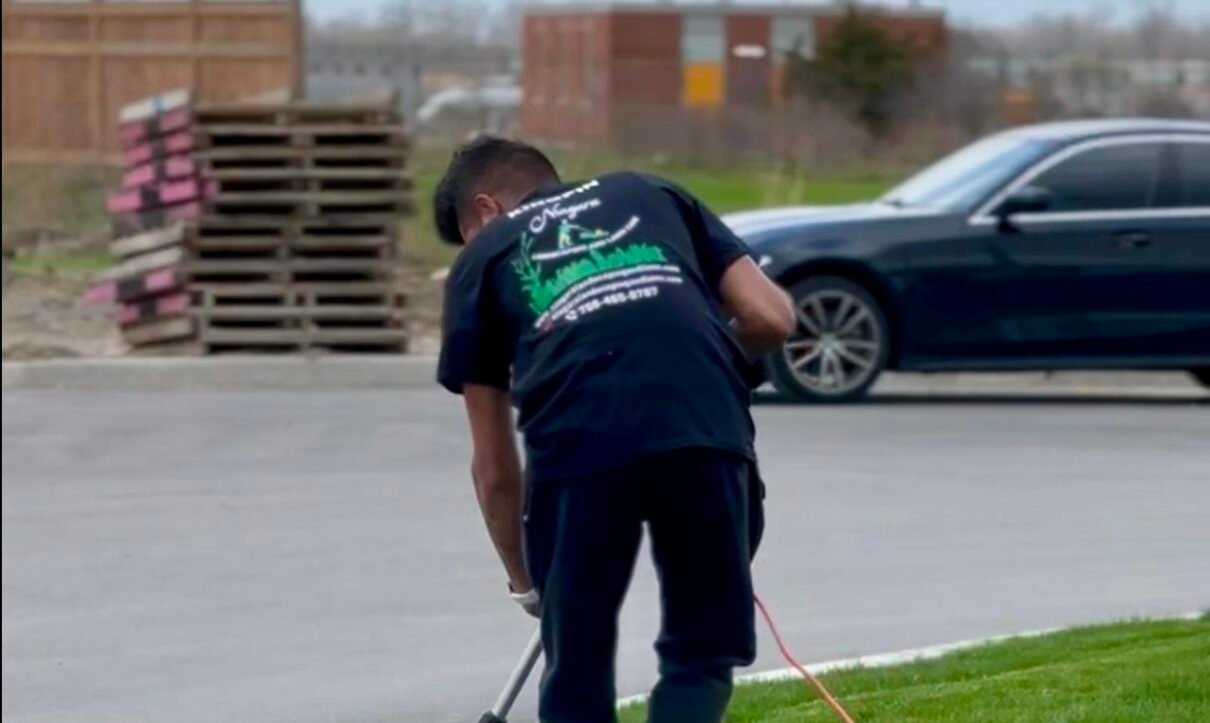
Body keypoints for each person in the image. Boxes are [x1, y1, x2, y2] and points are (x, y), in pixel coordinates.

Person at [434, 137, 795, 723]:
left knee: (576, 668)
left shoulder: (480, 263)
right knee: (701, 655)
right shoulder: (652, 192)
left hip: (578, 450)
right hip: (703, 430)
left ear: (487, 209)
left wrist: (526, 582)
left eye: (467, 235)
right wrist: (704, 363)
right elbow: (770, 317)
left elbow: (495, 468)